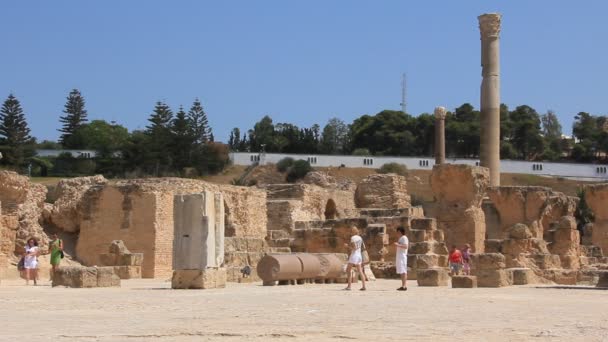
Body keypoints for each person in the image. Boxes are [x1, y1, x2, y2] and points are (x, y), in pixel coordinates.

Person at [343, 226, 366, 291]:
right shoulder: (360, 238)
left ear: (352, 231)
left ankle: (349, 286)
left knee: (348, 270)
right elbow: (362, 247)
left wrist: (347, 246)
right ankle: (364, 286)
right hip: (359, 255)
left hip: (354, 255)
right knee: (360, 271)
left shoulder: (353, 238)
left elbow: (354, 248)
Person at [394, 227, 409, 291]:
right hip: (400, 256)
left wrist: (398, 245)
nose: (397, 233)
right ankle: (403, 285)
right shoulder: (401, 238)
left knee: (403, 271)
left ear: (400, 232)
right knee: (402, 271)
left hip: (402, 256)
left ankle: (404, 286)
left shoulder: (404, 238)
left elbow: (405, 246)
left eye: (398, 232)